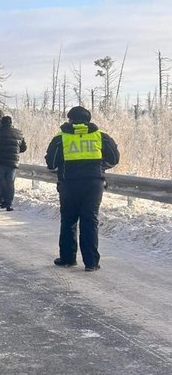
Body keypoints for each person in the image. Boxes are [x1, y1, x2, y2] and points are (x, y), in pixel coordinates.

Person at [45, 106, 120, 272]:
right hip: (94, 184)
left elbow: (51, 163)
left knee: (69, 221)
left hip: (69, 184)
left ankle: (67, 259)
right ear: (88, 120)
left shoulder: (60, 137)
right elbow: (114, 158)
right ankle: (91, 262)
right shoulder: (100, 136)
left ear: (70, 119)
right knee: (90, 220)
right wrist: (100, 167)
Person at [0, 115, 27, 211]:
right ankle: (9, 204)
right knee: (10, 183)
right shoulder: (19, 133)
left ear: (2, 122)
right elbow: (24, 148)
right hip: (12, 164)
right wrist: (14, 152)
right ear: (11, 123)